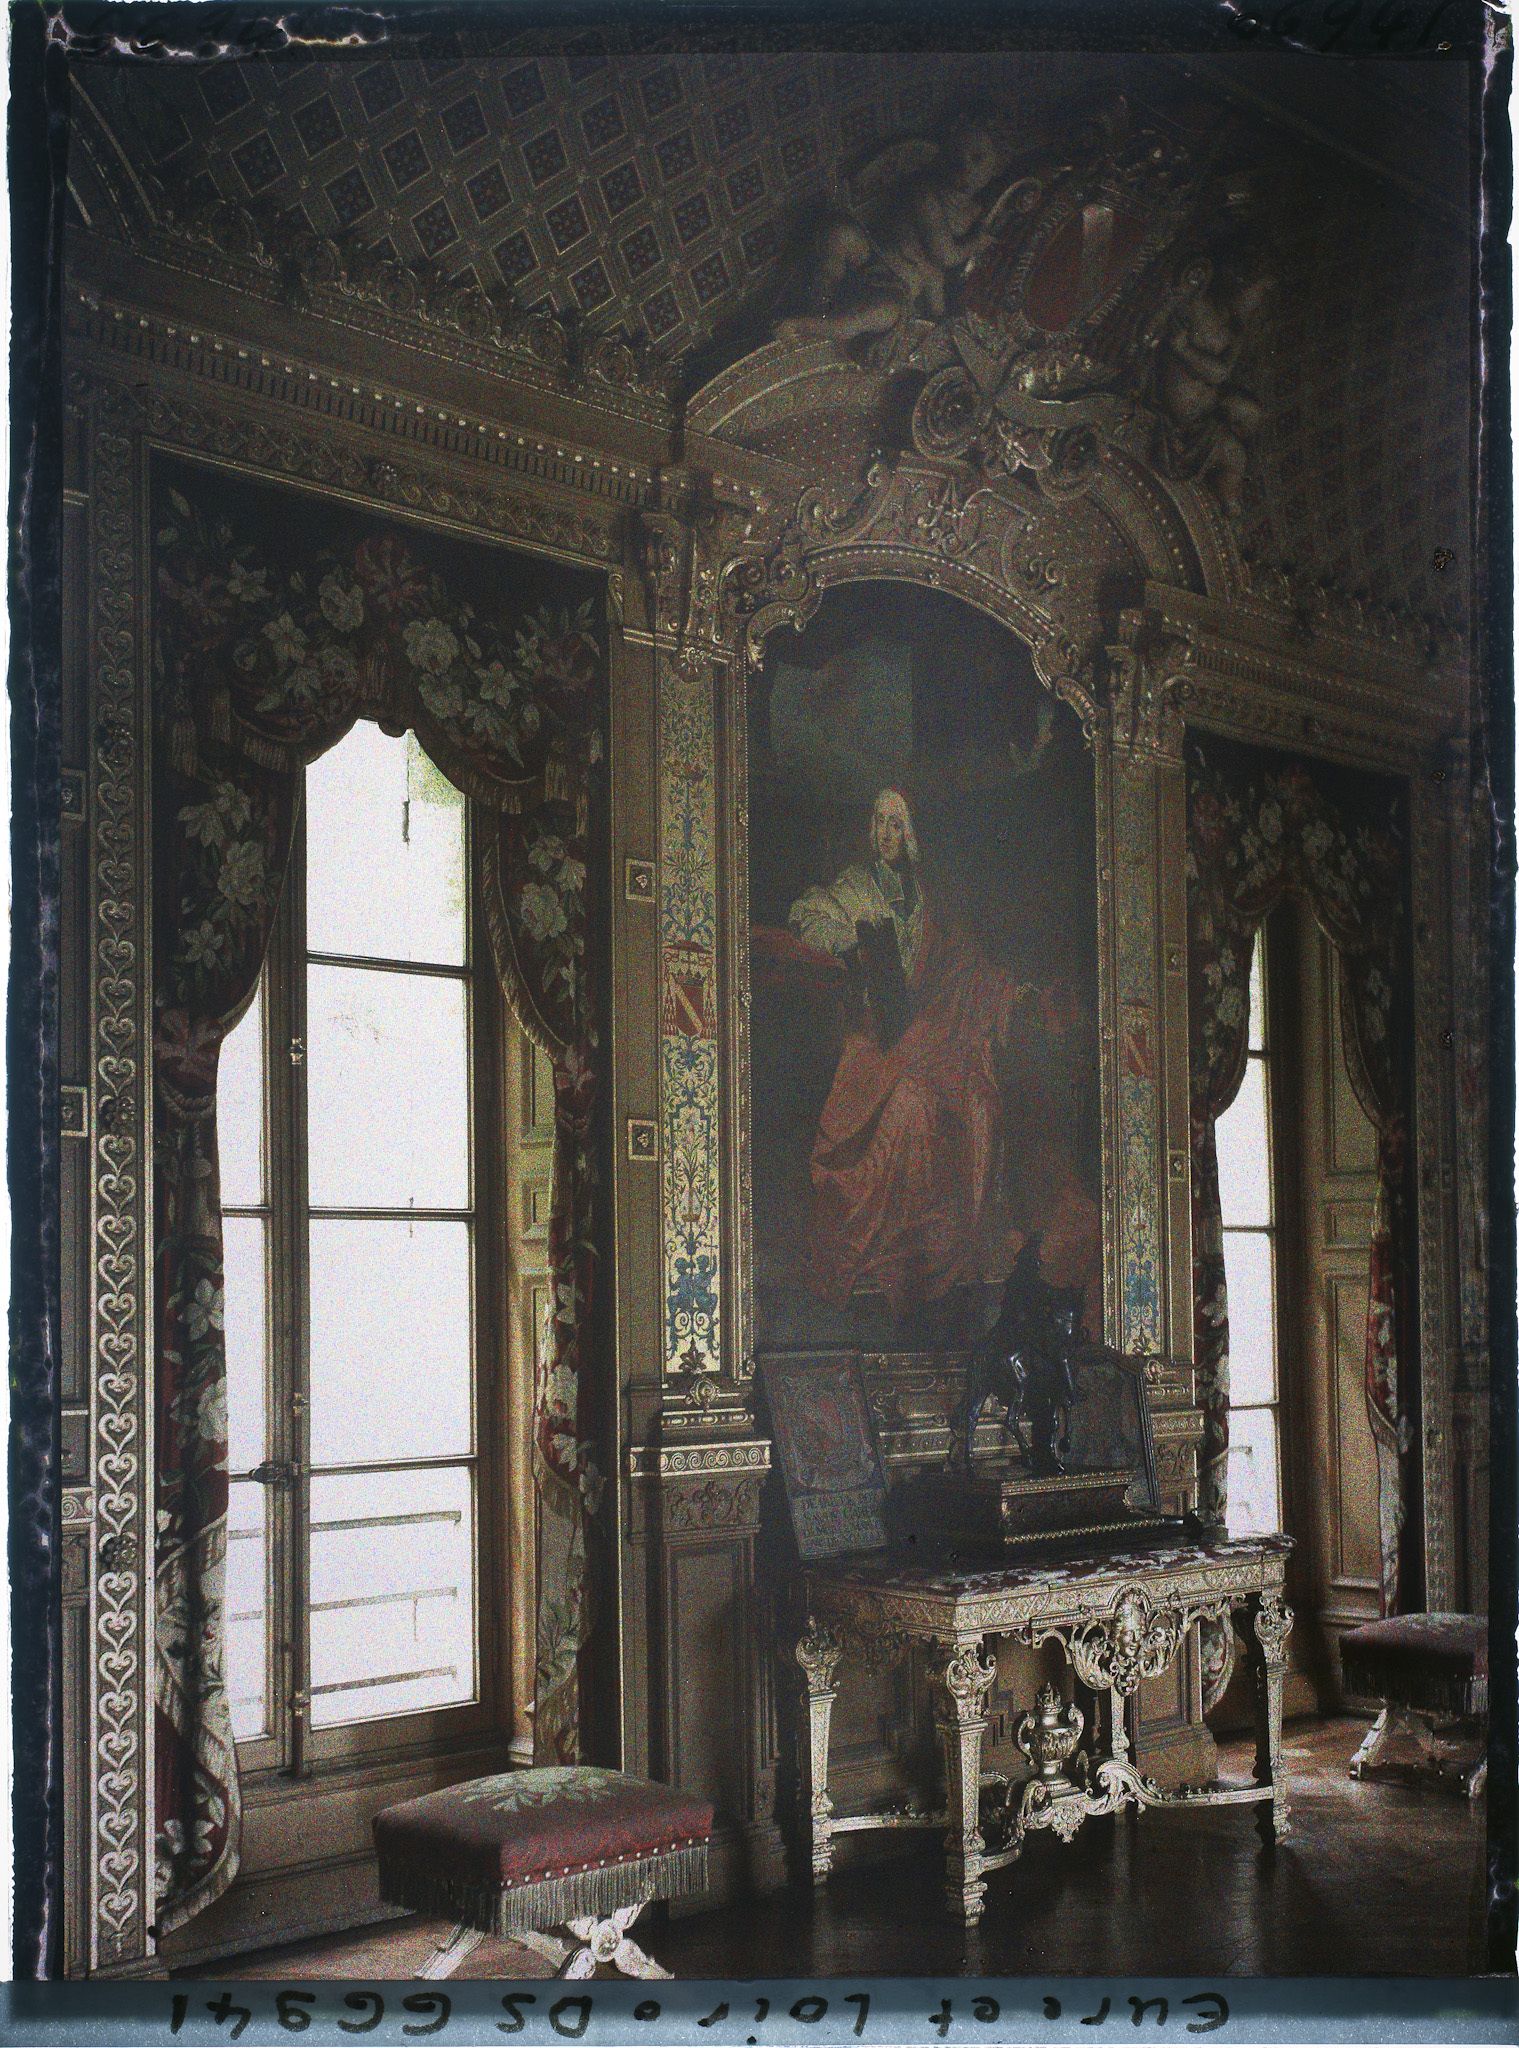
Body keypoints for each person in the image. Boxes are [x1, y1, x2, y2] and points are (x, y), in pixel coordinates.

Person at [787, 788, 1096, 1319]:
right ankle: (902, 1257)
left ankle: (961, 1252)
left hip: (927, 1038)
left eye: (898, 823)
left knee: (977, 1100)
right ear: (872, 829)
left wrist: (1019, 997)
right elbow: (808, 916)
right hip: (875, 1043)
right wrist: (851, 944)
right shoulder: (855, 888)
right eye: (881, 822)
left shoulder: (930, 900)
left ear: (911, 834)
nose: (888, 833)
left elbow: (968, 972)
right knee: (911, 1107)